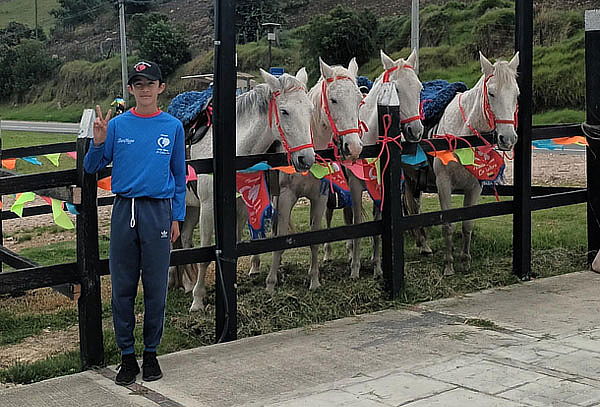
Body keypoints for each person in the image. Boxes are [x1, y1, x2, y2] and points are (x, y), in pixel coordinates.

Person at [84, 60, 186, 386]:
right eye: (138, 84)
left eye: (149, 83)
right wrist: (98, 141)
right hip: (124, 211)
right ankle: (127, 356)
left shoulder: (172, 126)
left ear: (160, 88)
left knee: (156, 287)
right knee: (122, 287)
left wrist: (176, 216)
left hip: (158, 212)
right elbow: (91, 167)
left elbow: (179, 176)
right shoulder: (117, 125)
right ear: (131, 89)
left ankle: (151, 353)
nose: (144, 89)